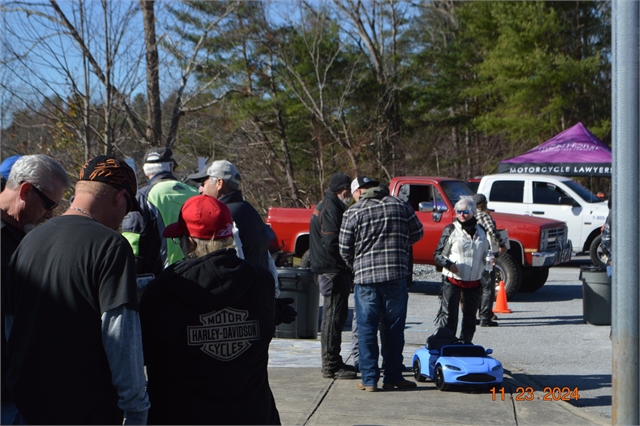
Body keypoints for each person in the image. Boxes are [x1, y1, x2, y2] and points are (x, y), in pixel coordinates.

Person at [4, 155, 150, 425]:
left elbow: (11, 326)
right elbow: (121, 337)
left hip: (28, 410)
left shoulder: (28, 241)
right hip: (87, 412)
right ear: (118, 198)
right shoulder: (111, 246)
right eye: (127, 209)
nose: (123, 219)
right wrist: (136, 411)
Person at [139, 195, 280, 425]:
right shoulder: (260, 282)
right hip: (251, 414)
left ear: (190, 242)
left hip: (183, 415)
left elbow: (142, 354)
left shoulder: (163, 291)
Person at [0, 154, 70, 425]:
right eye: (49, 204)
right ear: (25, 191)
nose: (51, 214)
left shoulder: (28, 236)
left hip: (27, 389)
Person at [339, 176, 424, 392]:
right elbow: (418, 233)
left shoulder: (353, 212)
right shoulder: (400, 206)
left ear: (361, 192)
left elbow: (344, 248)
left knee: (367, 330)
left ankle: (369, 380)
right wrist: (399, 242)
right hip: (395, 277)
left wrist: (356, 265)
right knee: (394, 329)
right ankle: (393, 376)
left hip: (366, 280)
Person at [188, 160, 296, 323]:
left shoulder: (225, 215)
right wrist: (271, 299)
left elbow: (233, 263)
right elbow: (268, 260)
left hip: (239, 309)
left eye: (203, 183)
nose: (200, 189)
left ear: (219, 183)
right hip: (256, 301)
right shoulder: (248, 210)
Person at [122, 146, 199, 276]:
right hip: (198, 276)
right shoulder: (196, 193)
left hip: (160, 281)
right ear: (170, 167)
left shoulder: (141, 197)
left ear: (145, 171)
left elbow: (132, 244)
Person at [310, 173, 357, 380]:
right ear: (343, 190)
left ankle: (334, 360)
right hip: (332, 270)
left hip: (330, 269)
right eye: (348, 190)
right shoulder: (331, 208)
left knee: (336, 317)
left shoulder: (328, 205)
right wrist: (347, 263)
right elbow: (332, 243)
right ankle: (330, 365)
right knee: (333, 317)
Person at [434, 195, 491, 344]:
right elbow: (438, 254)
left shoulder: (482, 230)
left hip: (473, 280)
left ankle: (466, 343)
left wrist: (489, 259)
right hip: (452, 279)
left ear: (472, 211)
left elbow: (486, 252)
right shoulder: (451, 229)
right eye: (458, 212)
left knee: (470, 315)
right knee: (449, 315)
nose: (462, 215)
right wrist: (448, 264)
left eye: (465, 212)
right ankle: (447, 343)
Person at [473, 193, 507, 327]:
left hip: (472, 255)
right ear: (484, 204)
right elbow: (492, 231)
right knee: (488, 287)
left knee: (475, 287)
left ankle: (473, 315)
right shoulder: (484, 216)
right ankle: (485, 317)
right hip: (486, 255)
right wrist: (501, 245)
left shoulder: (468, 216)